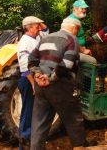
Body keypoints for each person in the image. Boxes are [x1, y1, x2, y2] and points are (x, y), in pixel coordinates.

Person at [29, 17, 87, 149]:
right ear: (74, 28)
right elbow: (67, 64)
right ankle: (80, 146)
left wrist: (38, 75)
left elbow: (32, 58)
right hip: (60, 86)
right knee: (74, 120)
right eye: (77, 30)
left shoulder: (46, 38)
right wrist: (50, 78)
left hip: (40, 86)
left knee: (39, 123)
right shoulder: (72, 39)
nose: (77, 33)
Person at [16, 16, 48, 149]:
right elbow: (25, 68)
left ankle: (33, 141)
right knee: (28, 111)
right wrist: (33, 84)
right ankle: (24, 142)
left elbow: (46, 31)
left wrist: (40, 23)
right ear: (29, 28)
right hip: (29, 80)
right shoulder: (25, 42)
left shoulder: (38, 37)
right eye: (36, 26)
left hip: (36, 78)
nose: (39, 28)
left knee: (35, 111)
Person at [68, 0, 97, 64]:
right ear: (75, 9)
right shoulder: (72, 21)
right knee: (93, 61)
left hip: (78, 50)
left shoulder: (76, 19)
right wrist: (83, 50)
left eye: (85, 9)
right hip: (73, 51)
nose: (84, 10)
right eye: (82, 9)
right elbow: (70, 41)